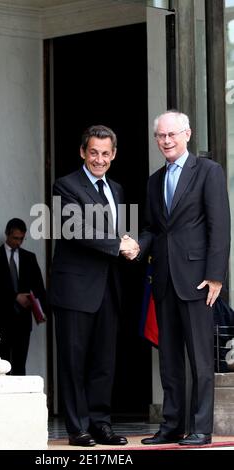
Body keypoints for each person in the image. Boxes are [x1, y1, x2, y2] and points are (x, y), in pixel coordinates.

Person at [135, 111, 230, 446]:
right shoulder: (153, 180)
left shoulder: (208, 171)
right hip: (163, 280)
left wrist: (216, 276)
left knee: (201, 360)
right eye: (160, 136)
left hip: (198, 282)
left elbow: (219, 226)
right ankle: (172, 425)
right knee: (170, 359)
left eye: (172, 135)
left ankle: (202, 428)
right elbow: (151, 228)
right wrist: (136, 246)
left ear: (187, 134)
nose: (166, 141)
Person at [49, 125, 139, 447]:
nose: (99, 159)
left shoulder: (116, 190)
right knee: (73, 362)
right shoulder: (66, 186)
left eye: (105, 154)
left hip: (108, 289)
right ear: (82, 152)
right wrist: (119, 245)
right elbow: (77, 229)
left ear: (113, 155)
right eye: (93, 153)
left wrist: (133, 243)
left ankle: (101, 423)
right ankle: (77, 428)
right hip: (74, 290)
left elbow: (122, 231)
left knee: (104, 362)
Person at [0, 218, 47, 375]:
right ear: (7, 235)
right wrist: (15, 297)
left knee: (20, 366)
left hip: (22, 322)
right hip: (0, 321)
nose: (18, 242)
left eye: (21, 238)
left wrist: (40, 310)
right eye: (15, 238)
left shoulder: (29, 257)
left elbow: (39, 288)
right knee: (0, 365)